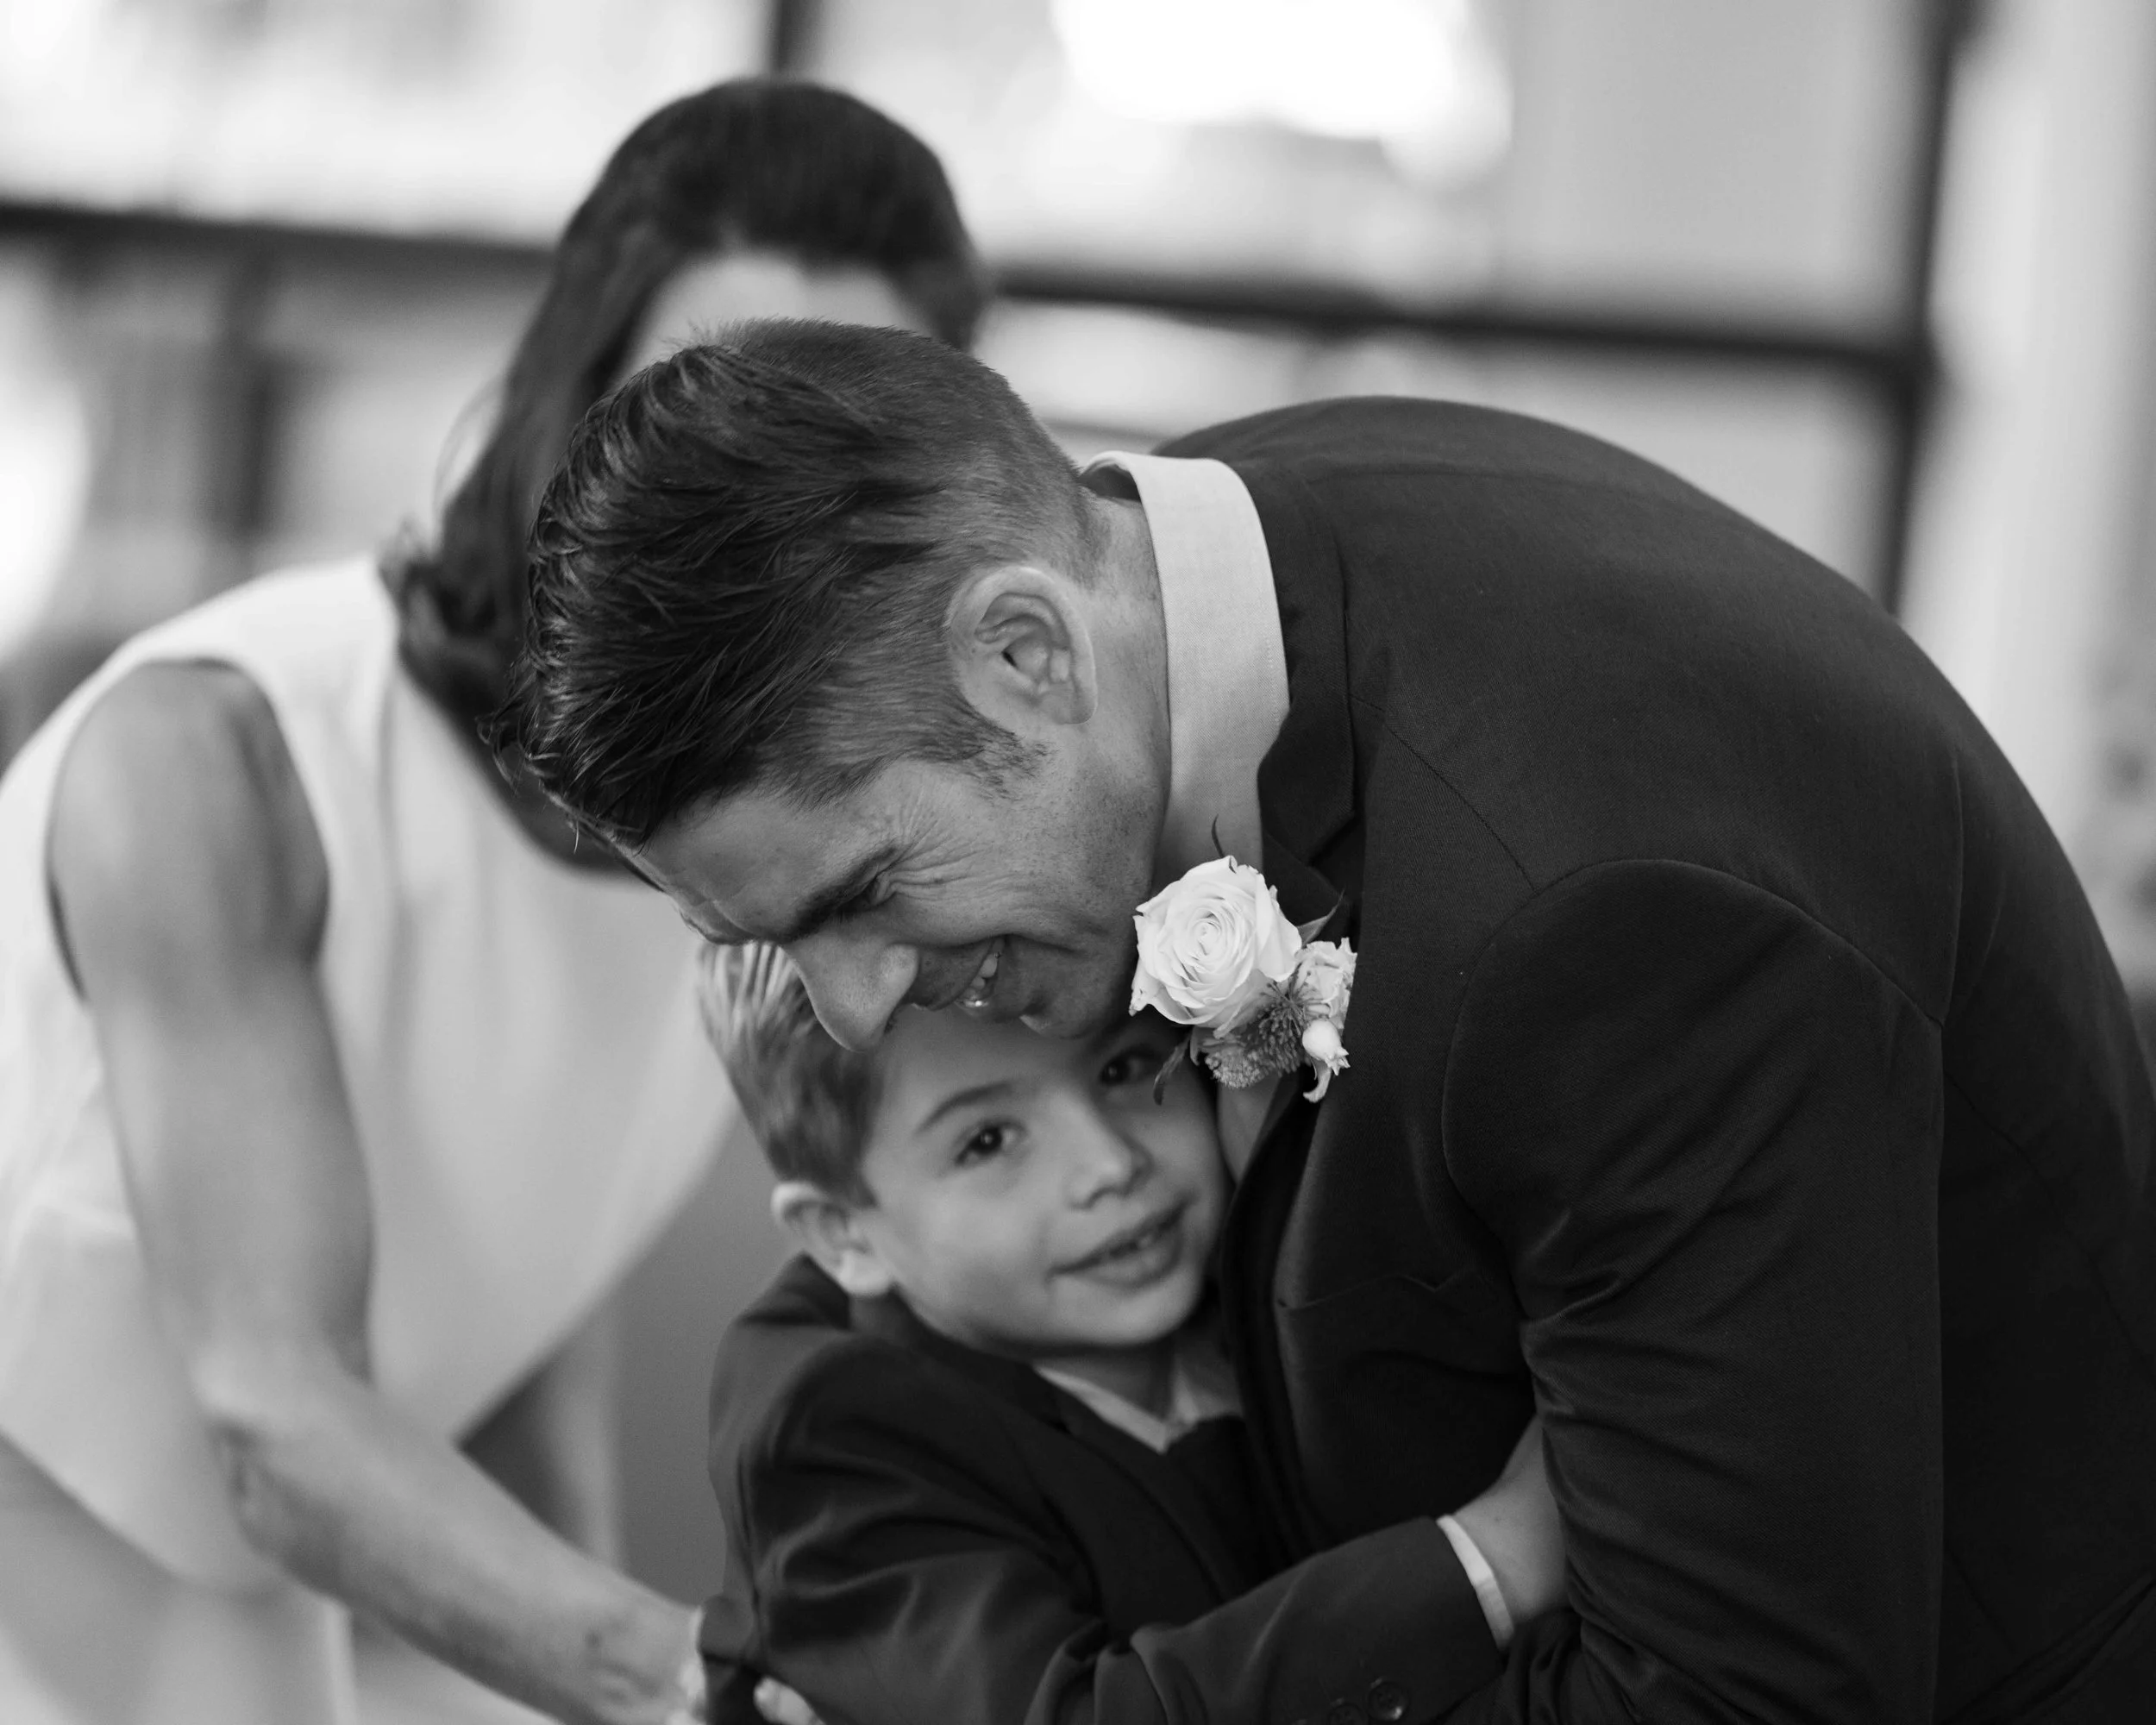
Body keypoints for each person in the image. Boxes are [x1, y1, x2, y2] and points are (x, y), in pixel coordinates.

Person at [506, 322, 2156, 1721]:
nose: (854, 1007)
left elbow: (1729, 1699)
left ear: (1025, 654)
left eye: (865, 892)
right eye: (770, 941)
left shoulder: (1604, 924)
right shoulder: (1187, 563)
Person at [0, 89, 986, 1725]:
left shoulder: (750, 849)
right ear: (561, 404)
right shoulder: (211, 756)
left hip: (238, 1582)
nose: (752, 522)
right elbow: (276, 1417)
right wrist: (683, 1681)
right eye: (694, 418)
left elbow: (519, 1296)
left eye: (835, 464)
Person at [694, 946, 1560, 1725]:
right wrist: (1493, 1560)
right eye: (988, 1140)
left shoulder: (1263, 1247)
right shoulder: (829, 1435)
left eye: (1123, 1066)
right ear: (844, 1235)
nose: (1110, 1164)